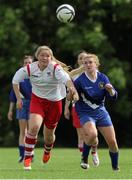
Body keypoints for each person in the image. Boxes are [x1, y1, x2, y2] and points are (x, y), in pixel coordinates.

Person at [12, 45, 79, 170]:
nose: (45, 58)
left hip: (55, 102)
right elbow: (15, 80)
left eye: (48, 56)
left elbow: (67, 80)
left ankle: (47, 150)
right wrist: (19, 99)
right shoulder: (29, 68)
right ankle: (27, 158)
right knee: (34, 127)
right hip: (37, 100)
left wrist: (72, 89)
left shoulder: (55, 68)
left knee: (49, 136)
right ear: (37, 56)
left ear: (51, 57)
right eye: (42, 55)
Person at [73, 53, 119, 170]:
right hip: (85, 112)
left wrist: (111, 91)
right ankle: (84, 158)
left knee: (112, 142)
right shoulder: (79, 80)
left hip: (101, 112)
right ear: (83, 65)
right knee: (93, 135)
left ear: (96, 64)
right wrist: (71, 95)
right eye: (85, 63)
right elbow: (71, 97)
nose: (88, 65)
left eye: (90, 62)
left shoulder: (102, 77)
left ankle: (115, 168)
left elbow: (114, 96)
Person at [64, 51, 99, 169]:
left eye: (87, 60)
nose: (84, 62)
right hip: (77, 107)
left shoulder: (95, 73)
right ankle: (84, 158)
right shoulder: (74, 75)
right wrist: (66, 108)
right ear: (79, 61)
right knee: (81, 135)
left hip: (92, 108)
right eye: (81, 59)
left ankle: (94, 151)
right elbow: (69, 92)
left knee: (92, 135)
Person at [7, 55, 33, 163]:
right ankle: (22, 155)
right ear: (23, 64)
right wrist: (10, 110)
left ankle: (30, 154)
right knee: (23, 131)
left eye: (29, 62)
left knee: (31, 131)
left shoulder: (36, 76)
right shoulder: (19, 76)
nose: (28, 64)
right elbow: (13, 95)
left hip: (33, 104)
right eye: (26, 62)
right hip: (21, 104)